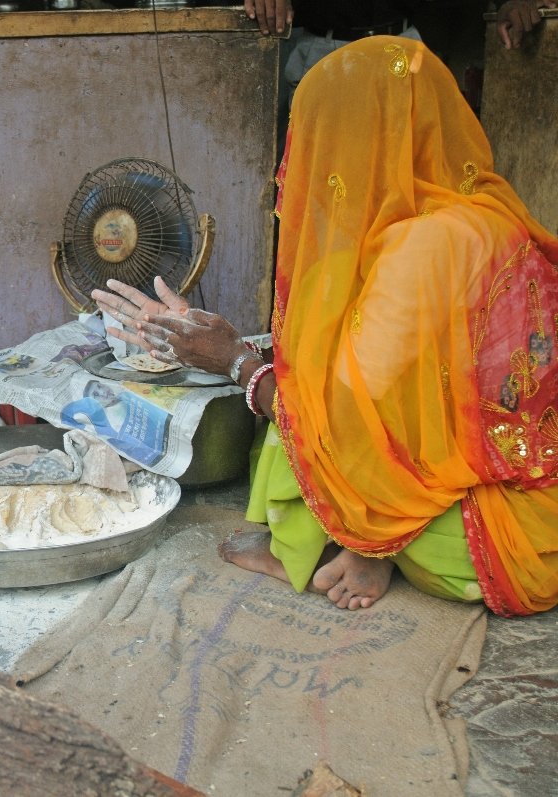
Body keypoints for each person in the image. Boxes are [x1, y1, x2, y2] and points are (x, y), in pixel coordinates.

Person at [92, 36, 558, 617]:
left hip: (508, 538)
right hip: (527, 490)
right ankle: (353, 532)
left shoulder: (427, 246)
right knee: (310, 343)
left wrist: (235, 361)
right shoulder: (482, 212)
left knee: (302, 388)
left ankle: (355, 543)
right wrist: (228, 343)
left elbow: (343, 407)